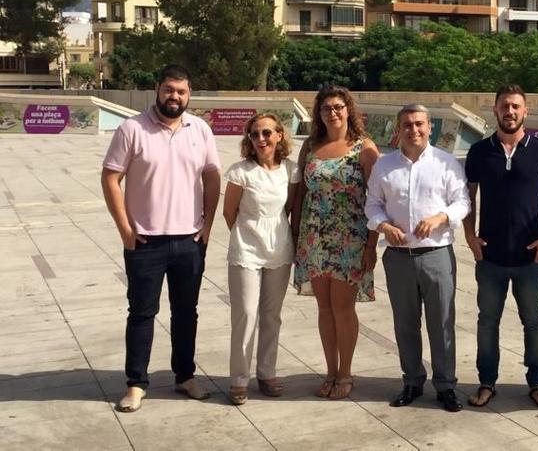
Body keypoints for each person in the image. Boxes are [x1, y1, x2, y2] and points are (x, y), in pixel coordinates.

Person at [101, 64, 220, 412]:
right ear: (157, 88)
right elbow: (110, 178)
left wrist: (208, 224)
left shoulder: (200, 129)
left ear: (189, 94)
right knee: (141, 313)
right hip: (145, 242)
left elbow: (212, 177)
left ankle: (185, 376)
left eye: (182, 91)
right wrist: (125, 229)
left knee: (187, 313)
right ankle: (136, 383)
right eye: (169, 89)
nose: (175, 97)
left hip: (190, 241)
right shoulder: (132, 129)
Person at [463, 85, 538, 409]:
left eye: (516, 107)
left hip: (529, 258)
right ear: (494, 110)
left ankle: (537, 382)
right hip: (490, 256)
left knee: (533, 322)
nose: (510, 112)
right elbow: (467, 195)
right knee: (487, 322)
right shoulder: (480, 151)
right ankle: (486, 382)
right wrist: (469, 235)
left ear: (526, 111)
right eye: (504, 106)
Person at [365, 104, 470, 412]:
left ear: (429, 127)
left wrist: (441, 217)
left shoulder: (446, 162)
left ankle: (446, 386)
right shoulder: (384, 166)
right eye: (407, 125)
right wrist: (383, 225)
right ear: (399, 129)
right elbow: (372, 204)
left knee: (442, 323)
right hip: (398, 257)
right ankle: (412, 380)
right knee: (406, 323)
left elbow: (463, 201)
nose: (414, 130)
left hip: (436, 254)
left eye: (419, 124)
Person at [291, 85, 379, 400]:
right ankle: (329, 370)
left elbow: (376, 200)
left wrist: (371, 245)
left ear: (348, 110)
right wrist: (294, 235)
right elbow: (300, 193)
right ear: (319, 113)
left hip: (350, 240)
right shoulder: (311, 147)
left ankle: (345, 374)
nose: (333, 112)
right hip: (314, 238)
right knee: (324, 308)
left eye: (338, 106)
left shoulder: (364, 148)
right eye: (327, 107)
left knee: (343, 308)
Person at [223, 113, 298, 405]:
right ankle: (239, 378)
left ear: (279, 135)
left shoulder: (290, 171)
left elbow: (289, 209)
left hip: (279, 251)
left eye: (267, 132)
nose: (261, 139)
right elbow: (230, 213)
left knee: (271, 316)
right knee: (246, 315)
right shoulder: (241, 172)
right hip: (246, 251)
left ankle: (267, 373)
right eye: (255, 134)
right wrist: (248, 235)